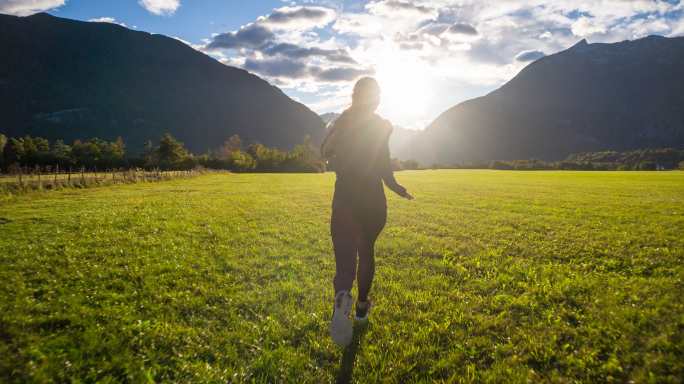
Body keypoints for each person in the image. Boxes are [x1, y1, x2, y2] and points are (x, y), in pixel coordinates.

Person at [321, 77, 414, 347]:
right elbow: (384, 163)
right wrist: (397, 187)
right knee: (367, 252)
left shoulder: (341, 122)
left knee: (345, 256)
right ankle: (361, 308)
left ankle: (341, 297)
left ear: (354, 95)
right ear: (376, 98)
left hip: (345, 197)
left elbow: (324, 152)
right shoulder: (381, 126)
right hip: (373, 199)